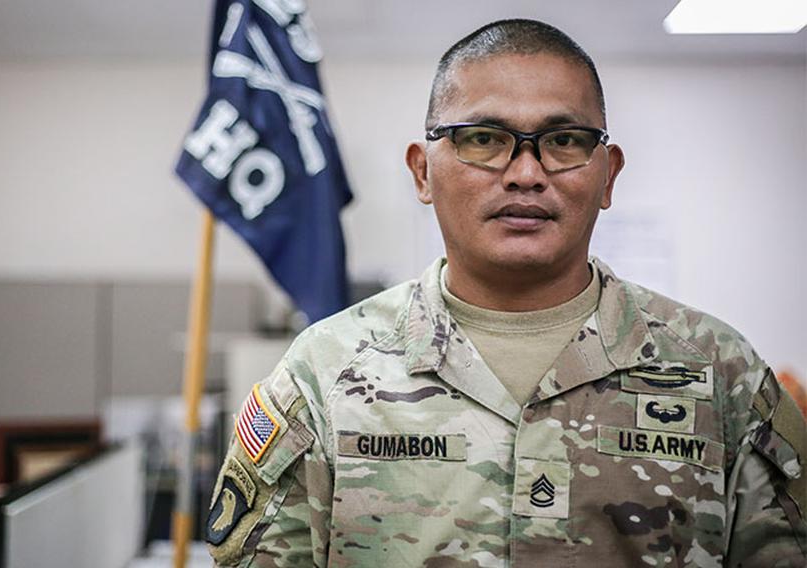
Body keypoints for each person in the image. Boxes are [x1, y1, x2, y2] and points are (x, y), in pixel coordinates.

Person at [204, 19, 807, 567]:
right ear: (422, 172)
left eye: (565, 139)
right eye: (484, 138)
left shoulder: (719, 373)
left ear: (608, 175)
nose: (525, 172)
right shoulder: (324, 374)